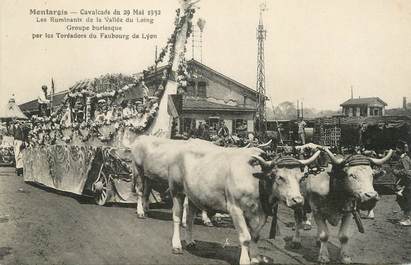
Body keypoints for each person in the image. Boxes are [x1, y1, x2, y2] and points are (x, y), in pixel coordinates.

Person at [393, 141, 411, 226]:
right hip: (405, 183)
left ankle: (407, 219)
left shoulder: (404, 159)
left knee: (405, 200)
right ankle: (406, 217)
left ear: (401, 149)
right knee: (402, 199)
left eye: (397, 147)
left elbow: (406, 172)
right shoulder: (403, 158)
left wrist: (396, 171)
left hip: (406, 183)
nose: (396, 149)